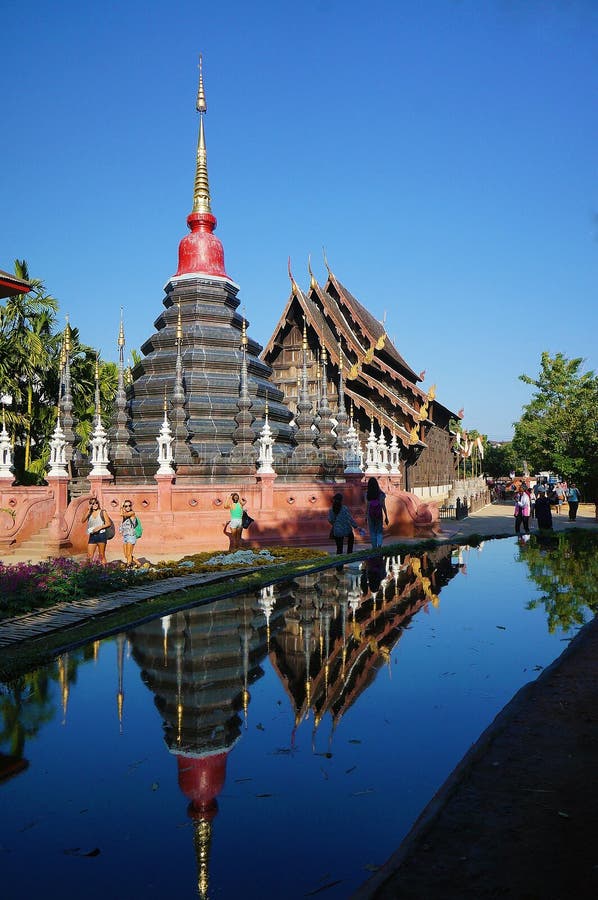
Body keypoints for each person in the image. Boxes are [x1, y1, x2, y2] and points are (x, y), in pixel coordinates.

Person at [81, 497, 111, 565]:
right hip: (92, 536)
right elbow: (82, 520)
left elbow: (108, 523)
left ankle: (106, 572)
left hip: (101, 535)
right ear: (90, 505)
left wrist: (99, 527)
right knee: (89, 556)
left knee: (101, 555)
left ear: (98, 504)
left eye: (96, 503)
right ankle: (90, 573)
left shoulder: (102, 512)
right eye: (92, 503)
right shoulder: (89, 513)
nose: (94, 505)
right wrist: (88, 511)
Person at [365, 477, 389, 549]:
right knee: (379, 530)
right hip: (379, 514)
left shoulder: (367, 494)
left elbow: (367, 506)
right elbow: (383, 506)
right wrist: (386, 516)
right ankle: (379, 546)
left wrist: (365, 516)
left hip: (370, 514)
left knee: (372, 531)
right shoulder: (381, 494)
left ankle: (374, 547)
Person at [119, 499, 140, 568]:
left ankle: (129, 567)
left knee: (129, 554)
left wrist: (121, 507)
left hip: (131, 536)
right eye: (126, 506)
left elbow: (121, 514)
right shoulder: (125, 515)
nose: (128, 507)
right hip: (125, 536)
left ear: (131, 506)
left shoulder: (132, 513)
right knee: (126, 554)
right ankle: (137, 563)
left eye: (129, 505)